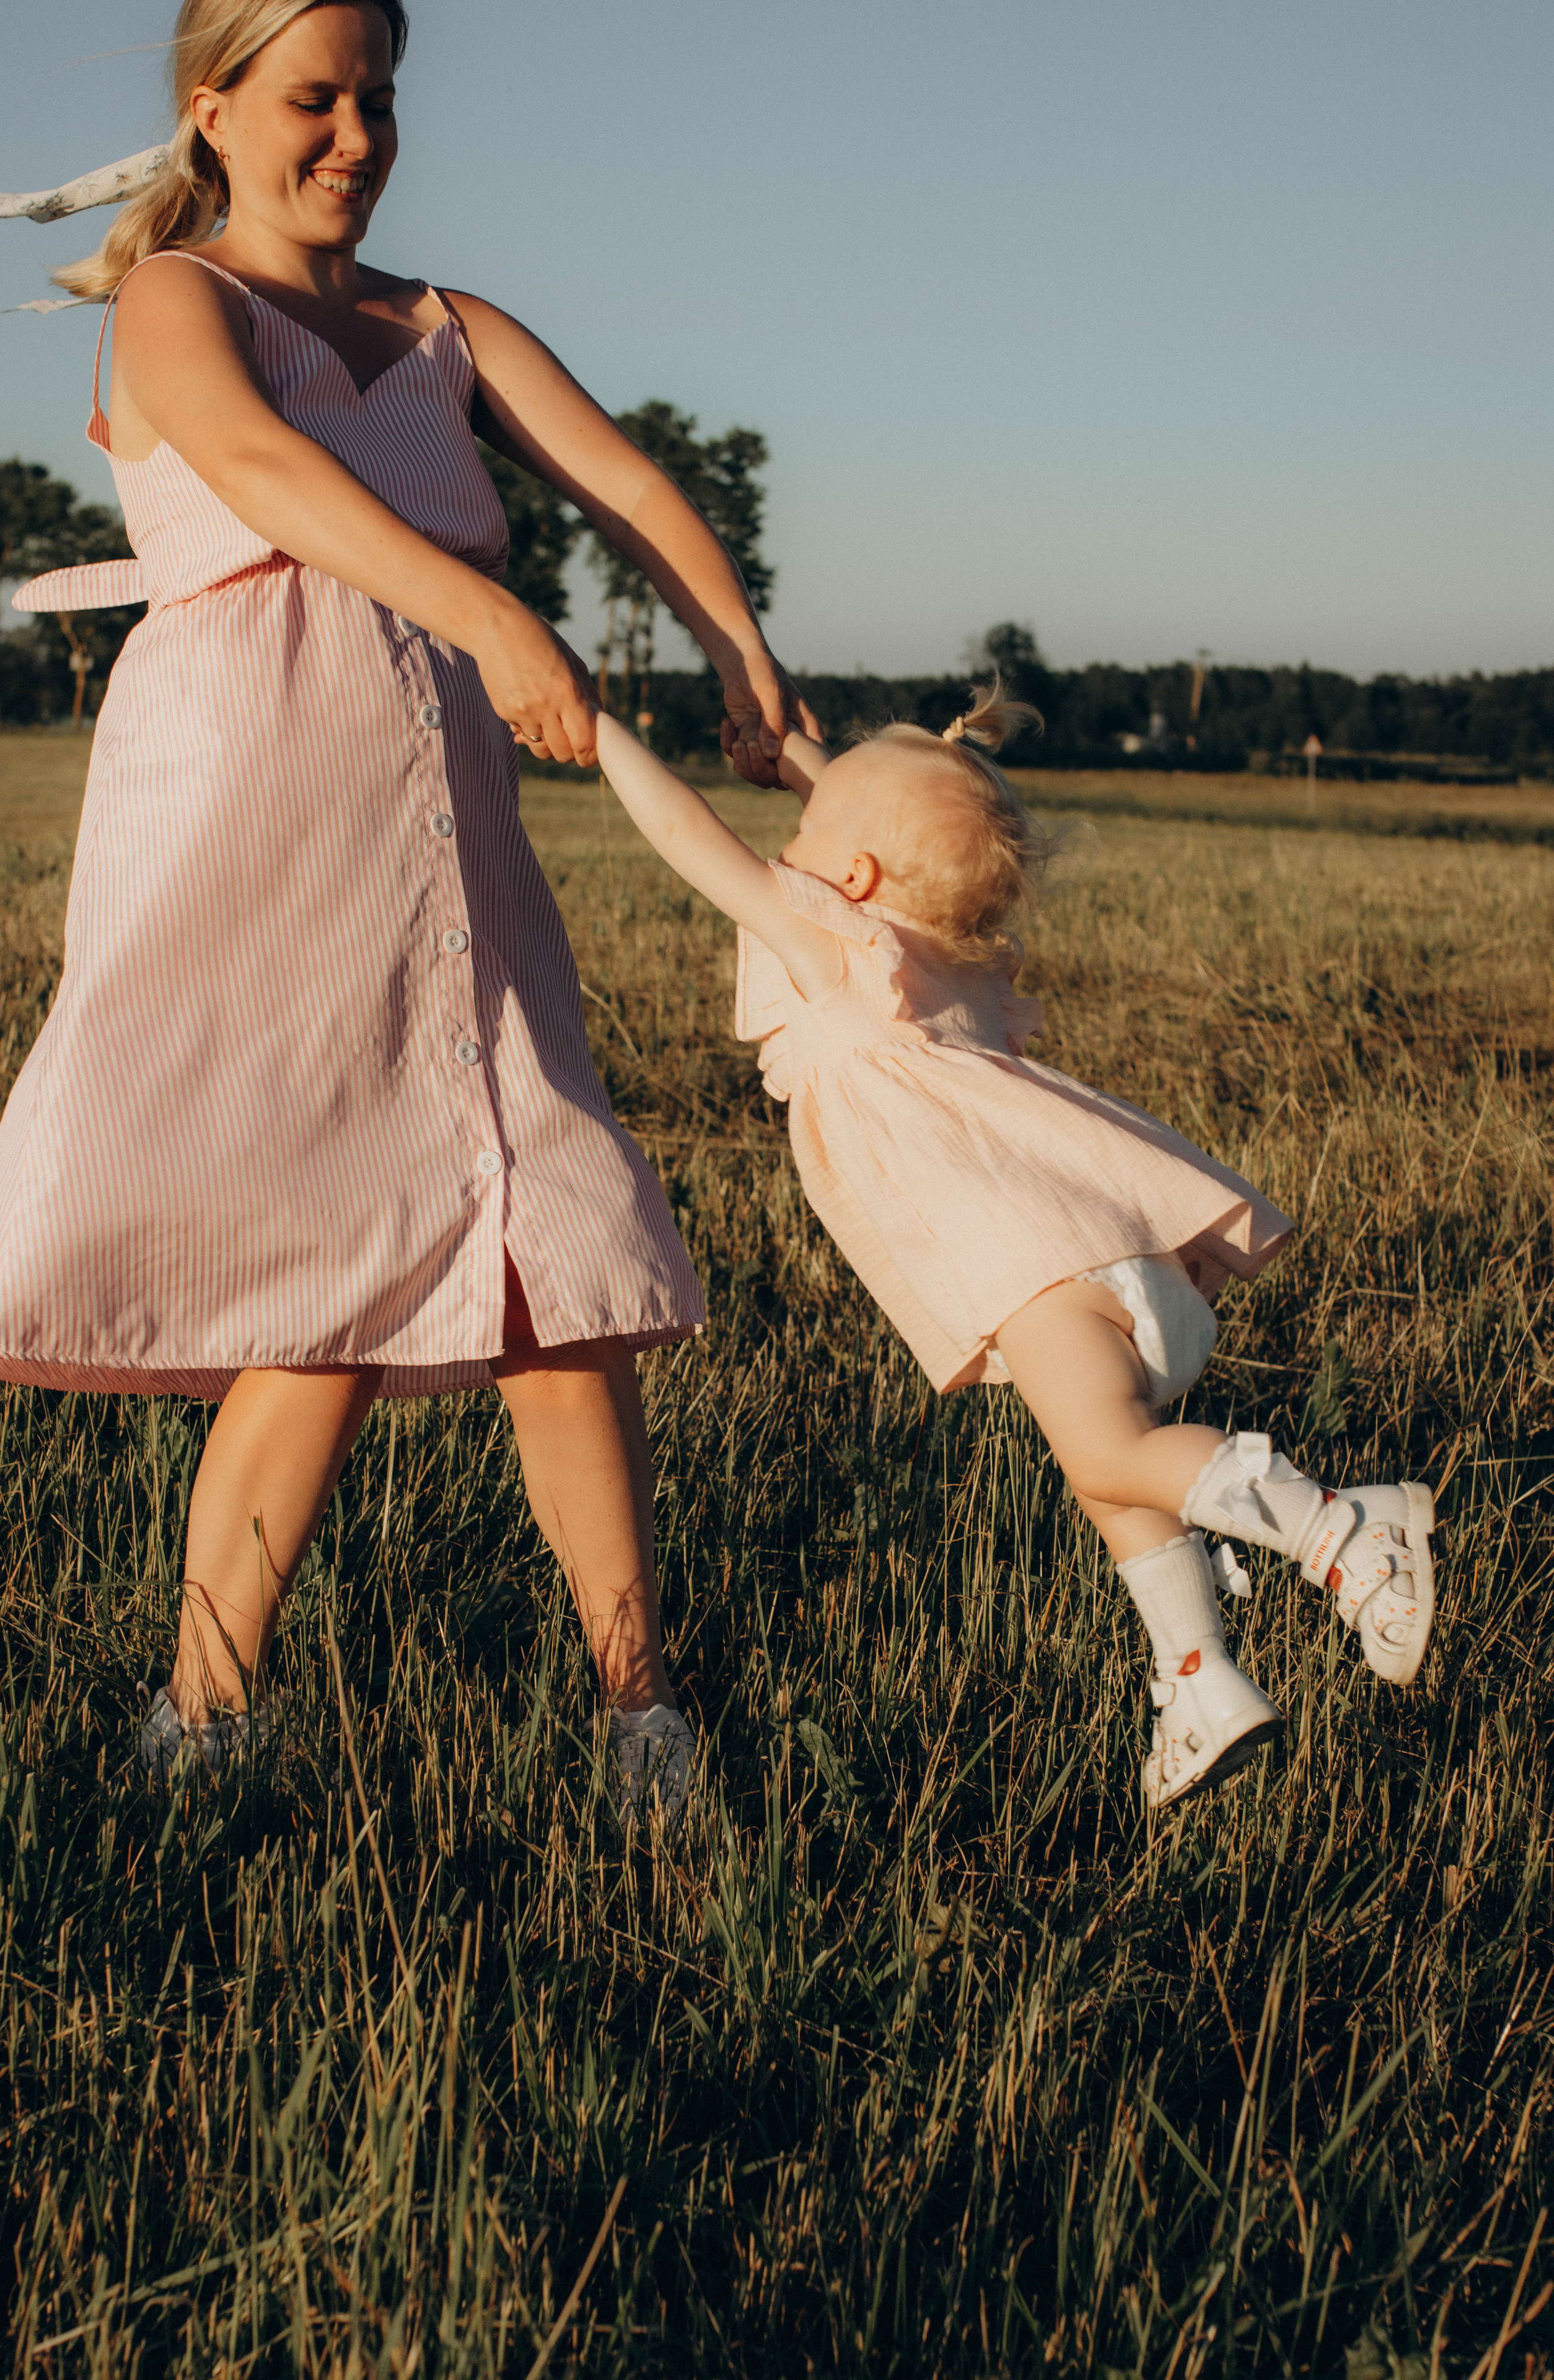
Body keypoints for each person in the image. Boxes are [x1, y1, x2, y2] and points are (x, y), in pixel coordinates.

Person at [0, 0, 819, 1828]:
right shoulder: (180, 300)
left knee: (559, 1251)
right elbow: (264, 477)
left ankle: (642, 1723)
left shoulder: (449, 327)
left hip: (451, 842)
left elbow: (632, 485)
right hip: (252, 827)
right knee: (321, 1283)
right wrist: (501, 617)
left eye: (378, 98)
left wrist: (743, 658)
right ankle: (198, 1728)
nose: (354, 134)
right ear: (217, 112)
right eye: (312, 99)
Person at [590, 693, 1438, 1806]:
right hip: (1103, 1254)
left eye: (799, 837)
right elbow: (884, 838)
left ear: (848, 882)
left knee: (1104, 1462)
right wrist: (801, 764)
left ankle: (1346, 1531)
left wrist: (595, 724)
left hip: (1038, 1270)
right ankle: (1198, 1678)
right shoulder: (939, 950)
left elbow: (688, 837)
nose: (780, 859)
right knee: (1116, 1478)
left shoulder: (838, 952)